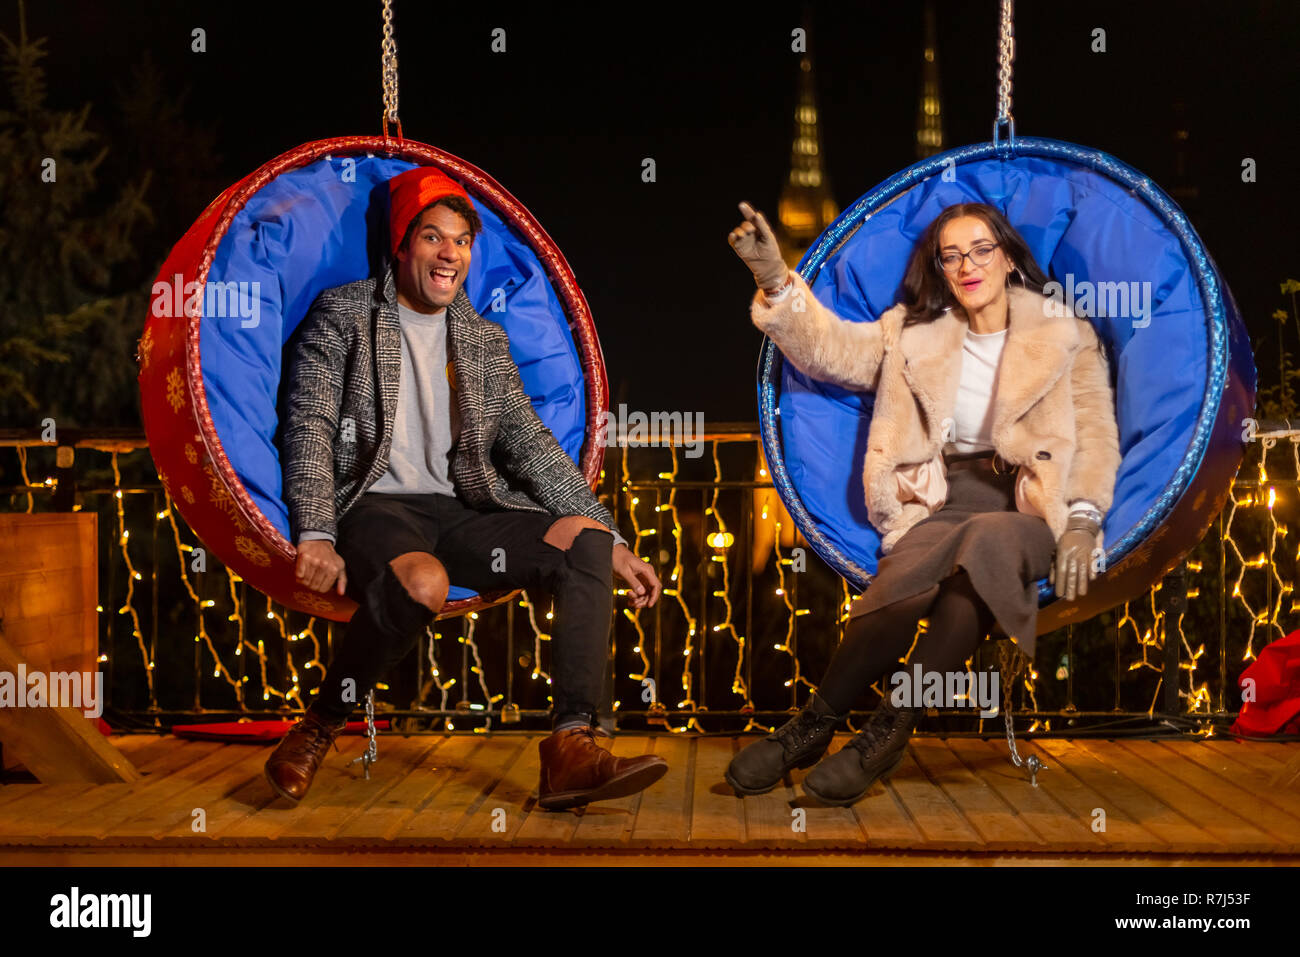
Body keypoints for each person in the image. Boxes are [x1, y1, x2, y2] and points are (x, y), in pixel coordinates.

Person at [265, 166, 668, 811]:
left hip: (462, 510)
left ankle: (570, 748)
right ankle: (320, 725)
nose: (449, 253)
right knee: (421, 584)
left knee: (587, 541)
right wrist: (315, 531)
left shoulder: (483, 340)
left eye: (460, 241)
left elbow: (531, 445)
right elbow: (309, 424)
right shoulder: (346, 314)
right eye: (432, 237)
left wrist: (614, 539)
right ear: (402, 246)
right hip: (375, 506)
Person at [724, 200, 1121, 806]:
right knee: (910, 573)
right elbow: (830, 349)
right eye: (952, 254)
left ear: (1009, 258)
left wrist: (1085, 521)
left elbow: (1095, 434)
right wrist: (776, 281)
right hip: (943, 502)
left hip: (1029, 507)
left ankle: (888, 728)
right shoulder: (912, 333)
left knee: (988, 543)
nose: (968, 264)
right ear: (939, 267)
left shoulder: (1066, 335)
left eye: (982, 249)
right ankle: (814, 728)